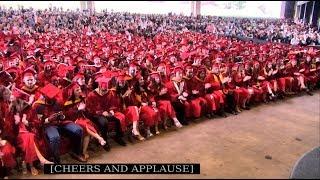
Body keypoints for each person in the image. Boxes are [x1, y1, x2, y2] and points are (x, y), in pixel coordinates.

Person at [32, 83, 86, 164]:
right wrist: (48, 119)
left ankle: (76, 152)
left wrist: (62, 116)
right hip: (49, 125)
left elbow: (64, 114)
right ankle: (56, 161)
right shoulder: (38, 106)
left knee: (78, 130)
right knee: (54, 137)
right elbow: (37, 123)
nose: (53, 98)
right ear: (44, 95)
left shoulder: (57, 102)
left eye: (54, 95)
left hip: (61, 123)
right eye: (51, 96)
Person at [86, 75, 127, 151]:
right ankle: (104, 141)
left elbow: (112, 104)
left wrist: (111, 110)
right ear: (99, 86)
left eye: (106, 89)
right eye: (103, 89)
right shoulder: (92, 95)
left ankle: (118, 137)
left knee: (117, 119)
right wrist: (101, 112)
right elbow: (89, 109)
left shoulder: (109, 93)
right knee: (104, 122)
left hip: (107, 112)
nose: (104, 91)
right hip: (95, 114)